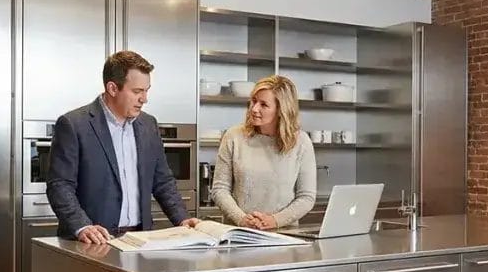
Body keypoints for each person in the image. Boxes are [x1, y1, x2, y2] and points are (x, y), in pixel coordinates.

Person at [46, 51, 199, 244]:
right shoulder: (74, 124)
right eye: (137, 91)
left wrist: (182, 218)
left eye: (146, 90)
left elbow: (163, 181)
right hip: (93, 242)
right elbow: (60, 185)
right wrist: (82, 226)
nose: (144, 99)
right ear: (112, 88)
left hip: (139, 239)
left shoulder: (149, 124)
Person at [210, 75, 317, 230]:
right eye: (254, 101)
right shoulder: (233, 136)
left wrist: (274, 220)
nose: (254, 109)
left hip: (285, 237)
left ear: (281, 110)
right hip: (240, 234)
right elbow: (219, 189)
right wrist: (242, 219)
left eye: (264, 105)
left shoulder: (301, 142)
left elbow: (306, 197)